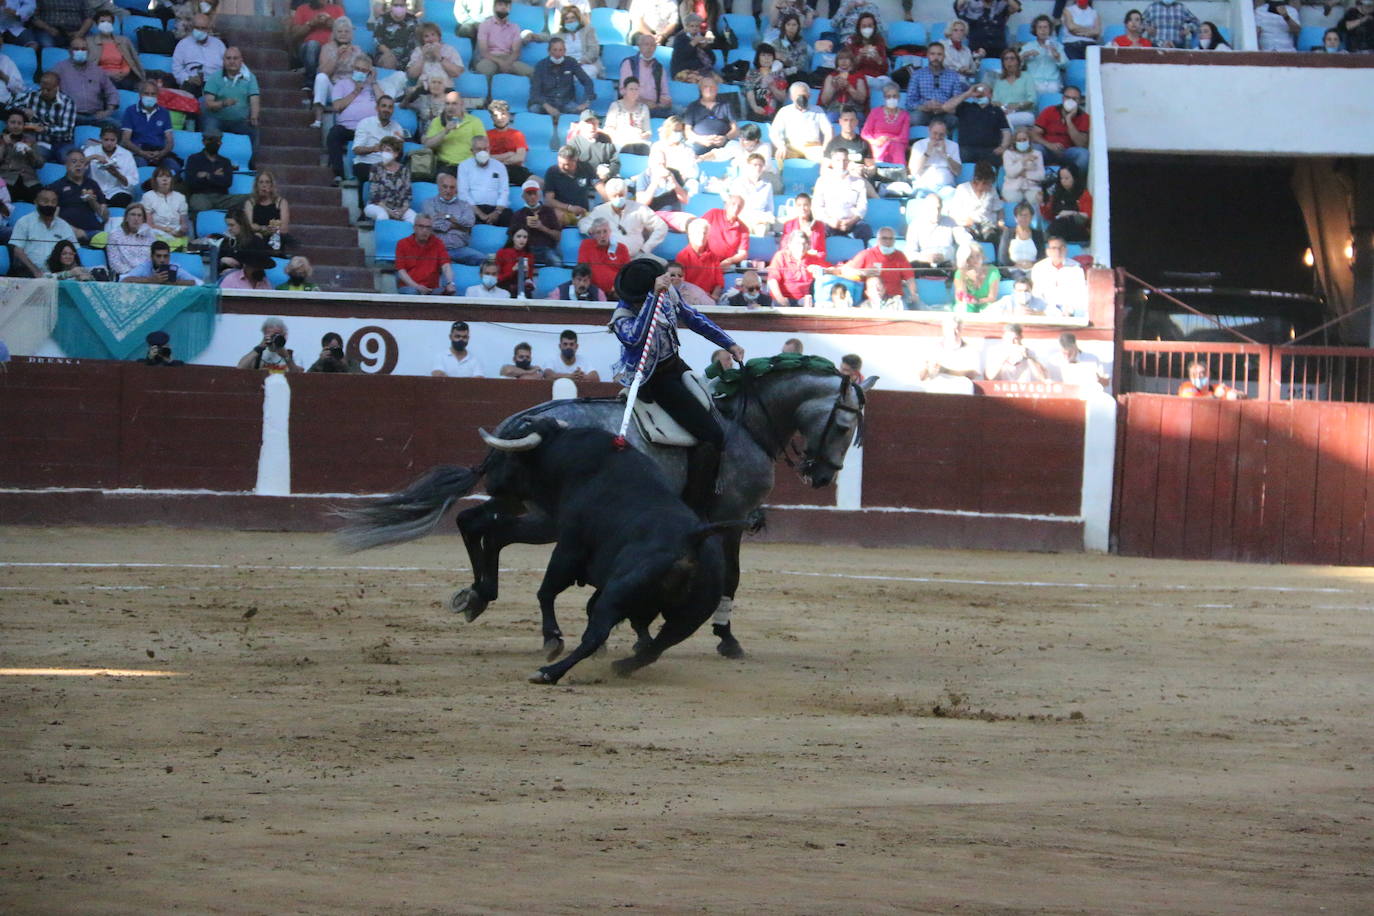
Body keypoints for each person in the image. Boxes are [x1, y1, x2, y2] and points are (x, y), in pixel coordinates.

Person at [610, 258, 744, 515]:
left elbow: (692, 317)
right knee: (711, 435)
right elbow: (637, 338)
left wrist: (728, 343)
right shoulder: (622, 317)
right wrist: (652, 297)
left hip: (675, 365)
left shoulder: (668, 292)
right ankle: (693, 505)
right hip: (651, 379)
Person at [577, 176, 667, 260]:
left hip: (637, 256)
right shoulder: (600, 210)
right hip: (611, 257)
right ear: (608, 196)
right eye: (614, 196)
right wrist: (590, 229)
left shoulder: (640, 208)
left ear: (626, 193)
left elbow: (661, 227)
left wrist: (646, 248)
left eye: (621, 195)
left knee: (663, 264)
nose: (618, 198)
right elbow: (583, 223)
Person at [326, 53, 379, 185]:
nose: (360, 72)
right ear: (352, 68)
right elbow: (337, 106)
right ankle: (338, 173)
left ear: (369, 72)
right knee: (334, 134)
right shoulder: (342, 84)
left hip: (368, 129)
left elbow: (385, 103)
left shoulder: (373, 86)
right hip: (347, 128)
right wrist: (355, 91)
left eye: (364, 70)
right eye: (358, 69)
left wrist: (373, 82)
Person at [201, 44, 261, 158]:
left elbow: (254, 98)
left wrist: (254, 115)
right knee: (209, 132)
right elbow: (208, 104)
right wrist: (223, 103)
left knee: (254, 131)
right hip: (217, 118)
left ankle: (252, 163)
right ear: (223, 61)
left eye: (235, 58)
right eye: (228, 58)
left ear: (241, 60)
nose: (232, 61)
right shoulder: (215, 77)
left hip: (239, 121)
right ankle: (208, 160)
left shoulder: (250, 78)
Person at [836, 225, 916, 305]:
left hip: (896, 299)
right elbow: (845, 270)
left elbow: (909, 277)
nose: (888, 242)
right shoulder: (867, 254)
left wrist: (913, 293)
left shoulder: (900, 256)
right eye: (884, 238)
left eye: (891, 239)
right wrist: (864, 273)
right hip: (873, 299)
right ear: (878, 240)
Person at [348, 92, 405, 202]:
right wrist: (373, 149)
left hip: (387, 164)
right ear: (377, 108)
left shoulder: (397, 128)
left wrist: (397, 148)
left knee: (401, 172)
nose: (386, 110)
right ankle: (365, 208)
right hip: (365, 163)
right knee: (379, 173)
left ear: (393, 110)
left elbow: (399, 155)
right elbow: (356, 149)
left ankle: (393, 207)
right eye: (383, 106)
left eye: (390, 107)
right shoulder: (365, 123)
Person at [53, 36, 119, 127]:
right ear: (69, 51)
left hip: (95, 116)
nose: (80, 51)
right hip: (71, 115)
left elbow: (111, 91)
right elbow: (50, 90)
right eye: (76, 49)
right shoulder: (59, 68)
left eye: (83, 49)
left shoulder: (97, 70)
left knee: (117, 126)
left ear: (88, 51)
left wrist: (108, 111)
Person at [421, 172, 484, 266]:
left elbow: (469, 223)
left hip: (459, 249)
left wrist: (447, 217)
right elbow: (433, 224)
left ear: (456, 190)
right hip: (436, 249)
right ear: (439, 187)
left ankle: (452, 262)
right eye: (445, 187)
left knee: (485, 261)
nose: (448, 190)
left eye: (452, 187)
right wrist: (457, 225)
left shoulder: (465, 205)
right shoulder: (429, 203)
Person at [946, 81, 1010, 168]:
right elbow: (946, 108)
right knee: (960, 154)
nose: (980, 92)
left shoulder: (997, 110)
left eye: (984, 90)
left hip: (990, 150)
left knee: (997, 158)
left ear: (990, 94)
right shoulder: (965, 107)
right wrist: (967, 94)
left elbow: (1006, 131)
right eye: (978, 89)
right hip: (967, 149)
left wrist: (1003, 147)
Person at [47, 146, 105, 242]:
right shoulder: (57, 186)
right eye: (74, 162)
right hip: (67, 233)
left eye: (82, 162)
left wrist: (93, 202)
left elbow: (104, 216)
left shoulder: (92, 184)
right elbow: (53, 218)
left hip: (93, 232)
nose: (78, 165)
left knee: (108, 239)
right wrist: (72, 230)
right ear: (66, 165)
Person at [531, 36, 596, 121]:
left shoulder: (571, 62)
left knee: (583, 113)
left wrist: (586, 102)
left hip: (566, 102)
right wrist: (548, 107)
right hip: (546, 102)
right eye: (555, 50)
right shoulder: (540, 65)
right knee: (534, 109)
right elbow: (535, 91)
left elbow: (587, 81)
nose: (558, 53)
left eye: (561, 50)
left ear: (565, 51)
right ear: (549, 51)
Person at [770, 81, 834, 168]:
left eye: (804, 95)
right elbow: (774, 132)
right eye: (798, 96)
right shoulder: (784, 111)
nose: (801, 98)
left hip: (812, 147)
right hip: (790, 147)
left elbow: (829, 130)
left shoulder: (818, 110)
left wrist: (825, 148)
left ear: (809, 95)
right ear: (792, 97)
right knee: (768, 152)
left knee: (828, 161)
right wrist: (780, 146)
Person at [15, 71, 76, 161]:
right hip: (40, 142)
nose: (44, 92)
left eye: (48, 90)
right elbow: (11, 105)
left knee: (71, 159)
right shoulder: (32, 96)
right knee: (30, 154)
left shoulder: (67, 102)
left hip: (62, 143)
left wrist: (45, 129)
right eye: (42, 88)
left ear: (57, 88)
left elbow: (66, 130)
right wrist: (24, 110)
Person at [120, 79, 179, 172]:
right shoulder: (130, 111)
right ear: (140, 94)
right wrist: (141, 152)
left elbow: (170, 141)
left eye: (153, 94)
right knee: (141, 165)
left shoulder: (164, 112)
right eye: (146, 93)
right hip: (138, 152)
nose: (150, 97)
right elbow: (125, 140)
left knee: (174, 167)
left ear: (157, 95)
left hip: (160, 153)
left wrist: (161, 153)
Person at [814, 149, 872, 242]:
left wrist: (851, 221)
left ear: (848, 162)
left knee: (865, 229)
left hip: (852, 223)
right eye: (838, 160)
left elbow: (862, 206)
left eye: (845, 160)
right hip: (830, 222)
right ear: (832, 162)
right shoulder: (822, 181)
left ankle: (860, 255)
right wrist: (829, 220)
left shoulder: (858, 182)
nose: (841, 164)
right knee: (817, 231)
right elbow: (817, 207)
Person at [905, 42, 966, 128]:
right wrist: (924, 107)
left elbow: (957, 100)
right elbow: (909, 102)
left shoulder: (953, 75)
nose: (936, 57)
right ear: (927, 55)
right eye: (932, 54)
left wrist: (943, 107)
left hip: (944, 113)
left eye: (939, 54)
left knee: (954, 120)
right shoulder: (917, 75)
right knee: (914, 118)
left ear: (944, 56)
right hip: (924, 112)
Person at [1032, 85, 1089, 173]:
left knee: (1083, 155)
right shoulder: (1050, 111)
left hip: (1068, 152)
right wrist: (1049, 145)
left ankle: (1073, 182)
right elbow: (1034, 134)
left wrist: (1069, 120)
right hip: (1048, 150)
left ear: (1079, 101)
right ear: (1063, 98)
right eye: (1067, 97)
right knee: (1035, 149)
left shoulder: (1084, 117)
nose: (1070, 101)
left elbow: (1081, 144)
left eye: (1074, 99)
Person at [396, 212, 456, 295]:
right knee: (413, 292)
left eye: (428, 227)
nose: (425, 230)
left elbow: (446, 266)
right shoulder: (402, 244)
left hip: (432, 289)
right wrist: (417, 286)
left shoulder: (438, 243)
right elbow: (401, 271)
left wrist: (450, 283)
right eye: (421, 226)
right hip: (410, 286)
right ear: (414, 228)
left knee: (448, 292)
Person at [423, 91, 485, 171]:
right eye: (447, 104)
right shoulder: (437, 121)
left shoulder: (475, 121)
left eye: (454, 104)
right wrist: (446, 130)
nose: (450, 107)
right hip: (446, 165)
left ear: (462, 105)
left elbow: (482, 146)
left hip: (469, 165)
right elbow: (428, 145)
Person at [457, 134, 509, 227]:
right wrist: (480, 214)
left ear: (489, 149)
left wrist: (497, 212)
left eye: (485, 149)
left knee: (510, 217)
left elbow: (504, 191)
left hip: (495, 209)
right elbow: (463, 193)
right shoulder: (464, 166)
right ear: (472, 151)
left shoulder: (499, 166)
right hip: (473, 209)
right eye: (479, 149)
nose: (483, 152)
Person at [766, 229, 826, 308]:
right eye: (798, 243)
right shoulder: (781, 256)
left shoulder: (813, 259)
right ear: (790, 245)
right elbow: (772, 280)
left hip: (806, 300)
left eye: (804, 244)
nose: (801, 247)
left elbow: (831, 270)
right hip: (784, 299)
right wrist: (780, 299)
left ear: (808, 245)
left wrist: (821, 270)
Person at [86, 10, 145, 91]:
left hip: (123, 76)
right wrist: (109, 74)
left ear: (112, 24)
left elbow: (129, 60)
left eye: (109, 21)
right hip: (102, 76)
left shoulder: (124, 41)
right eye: (102, 21)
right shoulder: (90, 42)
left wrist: (124, 72)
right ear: (97, 24)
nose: (106, 24)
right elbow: (90, 65)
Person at [1030, 236, 1088, 316]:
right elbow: (1036, 294)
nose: (1058, 251)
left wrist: (1070, 310)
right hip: (1044, 311)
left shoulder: (1076, 267)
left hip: (1069, 311)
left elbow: (1080, 293)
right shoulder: (1039, 268)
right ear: (1048, 251)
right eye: (1054, 248)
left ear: (1066, 250)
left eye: (1061, 247)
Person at [361, 135, 413, 224]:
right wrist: (389, 211)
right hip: (377, 206)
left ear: (396, 153)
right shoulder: (375, 168)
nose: (384, 153)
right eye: (383, 150)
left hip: (399, 208)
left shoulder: (404, 170)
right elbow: (374, 196)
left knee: (414, 218)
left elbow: (407, 195)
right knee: (383, 215)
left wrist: (402, 211)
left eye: (388, 150)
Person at [474, 0, 533, 78]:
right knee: (485, 70)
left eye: (506, 6)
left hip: (509, 59)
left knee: (533, 73)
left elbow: (516, 51)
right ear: (494, 7)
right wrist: (500, 62)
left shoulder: (514, 27)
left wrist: (507, 62)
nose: (503, 7)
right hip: (489, 58)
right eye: (500, 5)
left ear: (510, 8)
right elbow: (483, 51)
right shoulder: (485, 25)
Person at [510, 178, 561, 266]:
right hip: (525, 250)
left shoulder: (548, 211)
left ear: (539, 195)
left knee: (556, 262)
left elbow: (558, 237)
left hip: (546, 249)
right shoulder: (518, 214)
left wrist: (542, 227)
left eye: (535, 193)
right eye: (529, 194)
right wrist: (524, 228)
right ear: (523, 196)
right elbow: (511, 239)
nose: (532, 196)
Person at [682, 74, 736, 158]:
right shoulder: (692, 106)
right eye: (705, 87)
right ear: (700, 89)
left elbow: (736, 129)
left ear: (717, 89)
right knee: (684, 151)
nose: (709, 89)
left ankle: (706, 157)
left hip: (722, 144)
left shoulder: (726, 105)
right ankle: (708, 157)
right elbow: (687, 131)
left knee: (736, 147)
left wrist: (725, 138)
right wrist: (700, 139)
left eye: (712, 87)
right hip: (699, 142)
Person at [290, 0, 345, 81]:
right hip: (308, 49)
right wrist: (311, 23)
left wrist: (332, 23)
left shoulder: (337, 9)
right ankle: (311, 79)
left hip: (330, 49)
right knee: (313, 45)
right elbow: (294, 35)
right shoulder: (302, 9)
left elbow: (345, 31)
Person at [619, 32, 672, 116]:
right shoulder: (629, 63)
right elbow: (623, 90)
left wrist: (665, 101)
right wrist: (644, 102)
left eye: (652, 45)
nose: (649, 48)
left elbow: (665, 93)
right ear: (639, 47)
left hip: (655, 107)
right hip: (635, 105)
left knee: (680, 112)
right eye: (646, 44)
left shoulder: (659, 67)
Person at [172, 13, 225, 96]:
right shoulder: (183, 45)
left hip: (215, 83)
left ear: (209, 29)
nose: (200, 31)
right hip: (193, 83)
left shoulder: (219, 45)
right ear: (192, 28)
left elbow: (227, 67)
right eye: (197, 28)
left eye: (203, 28)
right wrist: (187, 78)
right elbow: (177, 69)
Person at [576, 217, 631, 297]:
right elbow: (582, 269)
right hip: (593, 293)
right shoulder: (586, 245)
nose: (602, 235)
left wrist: (619, 287)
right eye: (598, 232)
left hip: (616, 292)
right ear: (593, 234)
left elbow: (627, 273)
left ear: (610, 232)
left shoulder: (621, 248)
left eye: (605, 231)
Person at [544, 143, 596, 227]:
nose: (562, 166)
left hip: (583, 212)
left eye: (567, 164)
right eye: (560, 163)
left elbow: (598, 185)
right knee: (556, 215)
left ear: (575, 160)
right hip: (563, 212)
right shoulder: (552, 172)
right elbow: (548, 200)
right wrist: (570, 208)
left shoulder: (586, 168)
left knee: (601, 218)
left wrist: (609, 202)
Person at [919, 315, 982, 380]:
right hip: (937, 387)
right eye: (951, 329)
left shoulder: (971, 350)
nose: (955, 332)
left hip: (961, 388)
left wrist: (945, 371)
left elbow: (973, 374)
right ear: (944, 330)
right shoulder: (932, 349)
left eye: (958, 329)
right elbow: (921, 378)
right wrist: (927, 369)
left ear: (962, 330)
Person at [564, 111, 617, 189]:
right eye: (588, 124)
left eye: (594, 123)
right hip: (581, 182)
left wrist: (608, 174)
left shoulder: (605, 139)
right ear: (581, 125)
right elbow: (569, 165)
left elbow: (615, 162)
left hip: (604, 180)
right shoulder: (574, 142)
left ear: (598, 124)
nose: (592, 127)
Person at [241, 169, 291, 253]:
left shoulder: (281, 202)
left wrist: (259, 228)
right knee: (256, 237)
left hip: (276, 240)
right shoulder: (250, 203)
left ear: (272, 185)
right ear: (256, 185)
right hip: (256, 239)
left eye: (267, 182)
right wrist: (266, 228)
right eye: (261, 182)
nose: (264, 185)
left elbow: (284, 228)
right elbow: (249, 226)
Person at [904, 194, 959, 268]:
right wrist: (925, 258)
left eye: (938, 208)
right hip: (925, 265)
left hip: (948, 264)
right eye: (932, 209)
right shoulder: (915, 225)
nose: (936, 212)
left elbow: (966, 241)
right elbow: (909, 253)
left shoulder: (950, 222)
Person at [907, 115, 961, 191]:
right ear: (929, 130)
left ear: (946, 133)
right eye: (935, 133)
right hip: (924, 186)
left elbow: (958, 172)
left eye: (941, 134)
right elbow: (913, 171)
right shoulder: (918, 145)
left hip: (946, 187)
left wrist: (946, 155)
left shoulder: (953, 146)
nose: (937, 137)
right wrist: (927, 153)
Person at [726, 153, 775, 235]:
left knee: (763, 228)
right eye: (755, 165)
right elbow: (732, 205)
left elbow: (770, 208)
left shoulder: (768, 186)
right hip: (742, 217)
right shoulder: (737, 183)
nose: (758, 168)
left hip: (761, 218)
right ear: (748, 166)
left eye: (761, 165)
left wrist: (766, 217)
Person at [861, 83, 910, 166]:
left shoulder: (905, 115)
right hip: (878, 143)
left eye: (894, 96)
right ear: (884, 98)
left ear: (899, 97)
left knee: (896, 147)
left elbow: (904, 137)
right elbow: (865, 133)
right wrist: (875, 141)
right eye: (888, 96)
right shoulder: (875, 112)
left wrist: (888, 139)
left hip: (897, 143)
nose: (892, 99)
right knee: (879, 148)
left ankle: (898, 171)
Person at [0, 111, 44, 204]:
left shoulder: (30, 140)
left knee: (45, 199)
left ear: (23, 126)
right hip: (7, 181)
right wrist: (3, 145)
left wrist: (29, 151)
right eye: (12, 122)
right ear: (7, 124)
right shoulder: (1, 140)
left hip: (29, 181)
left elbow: (40, 164)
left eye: (19, 123)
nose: (16, 126)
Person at [141, 165, 190, 248]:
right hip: (155, 235)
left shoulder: (180, 197)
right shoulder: (147, 196)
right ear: (155, 180)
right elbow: (149, 224)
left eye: (168, 177)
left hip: (177, 234)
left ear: (171, 180)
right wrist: (166, 230)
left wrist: (181, 231)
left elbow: (184, 223)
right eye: (161, 176)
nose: (165, 179)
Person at [105, 202, 156, 277]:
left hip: (147, 275)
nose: (136, 218)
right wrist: (133, 274)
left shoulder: (150, 234)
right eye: (133, 214)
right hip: (126, 275)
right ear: (126, 218)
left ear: (143, 219)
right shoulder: (114, 235)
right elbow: (114, 263)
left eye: (139, 215)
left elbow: (154, 259)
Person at [676, 218, 723, 298]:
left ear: (708, 235)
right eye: (697, 233)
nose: (701, 236)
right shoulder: (682, 256)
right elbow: (680, 283)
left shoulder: (714, 256)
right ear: (690, 235)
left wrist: (714, 296)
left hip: (708, 298)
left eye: (704, 233)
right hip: (689, 297)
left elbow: (719, 284)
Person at [406, 22, 465, 86]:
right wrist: (423, 57)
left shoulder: (450, 49)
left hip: (444, 87)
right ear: (422, 40)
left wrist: (439, 57)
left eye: (433, 34)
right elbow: (412, 74)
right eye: (426, 36)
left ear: (438, 36)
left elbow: (456, 73)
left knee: (453, 95)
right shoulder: (418, 51)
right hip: (424, 87)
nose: (431, 39)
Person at [991, 47, 1036, 132]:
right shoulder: (999, 81)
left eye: (1012, 58)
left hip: (1023, 114)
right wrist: (1001, 106)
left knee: (1005, 120)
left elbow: (1032, 100)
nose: (1009, 61)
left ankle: (1008, 141)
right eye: (1006, 59)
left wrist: (1017, 106)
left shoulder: (1026, 76)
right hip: (1004, 113)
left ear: (1018, 62)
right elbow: (994, 101)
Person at [486, 99, 529, 185]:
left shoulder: (517, 134)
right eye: (495, 115)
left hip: (513, 169)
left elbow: (520, 157)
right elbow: (485, 158)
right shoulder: (486, 135)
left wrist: (497, 159)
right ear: (491, 118)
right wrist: (509, 154)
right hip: (491, 170)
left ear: (508, 115)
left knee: (538, 182)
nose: (500, 118)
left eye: (503, 114)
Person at [955, 0, 1020, 58]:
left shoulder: (1001, 5)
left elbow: (1016, 7)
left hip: (999, 49)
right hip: (976, 49)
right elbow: (959, 5)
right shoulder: (970, 7)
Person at [605, 76, 653, 153]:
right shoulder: (615, 106)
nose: (634, 92)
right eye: (631, 89)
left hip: (638, 141)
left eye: (636, 89)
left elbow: (648, 131)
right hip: (619, 141)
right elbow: (608, 128)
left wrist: (643, 135)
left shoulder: (644, 108)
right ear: (624, 90)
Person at [121, 239, 199, 286]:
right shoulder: (145, 266)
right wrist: (151, 280)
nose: (162, 260)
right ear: (152, 257)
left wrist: (172, 282)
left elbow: (192, 282)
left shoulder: (174, 267)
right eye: (158, 256)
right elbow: (124, 280)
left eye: (166, 256)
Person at [1044, 165, 1092, 242]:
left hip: (1077, 227)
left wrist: (1070, 213)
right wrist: (1043, 203)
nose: (1063, 181)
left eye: (1066, 178)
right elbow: (1050, 215)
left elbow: (1087, 215)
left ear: (1074, 178)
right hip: (1059, 227)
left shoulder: (1083, 194)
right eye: (1061, 178)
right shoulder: (1056, 194)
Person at [1020, 15, 1066, 93]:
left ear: (1050, 30)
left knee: (1054, 89)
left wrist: (1057, 55)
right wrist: (1025, 55)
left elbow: (1065, 65)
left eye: (1045, 27)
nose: (1043, 30)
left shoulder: (1057, 46)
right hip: (1034, 82)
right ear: (1035, 30)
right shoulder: (1028, 46)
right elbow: (1016, 62)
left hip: (1053, 83)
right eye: (1040, 27)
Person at [1001, 126, 1045, 206]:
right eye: (1019, 140)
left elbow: (1041, 175)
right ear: (1014, 141)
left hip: (1032, 187)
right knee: (1013, 200)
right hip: (1012, 188)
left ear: (1029, 140)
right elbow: (1010, 173)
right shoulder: (1008, 154)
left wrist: (1025, 174)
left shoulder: (1037, 154)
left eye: (1024, 140)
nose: (1022, 142)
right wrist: (1024, 160)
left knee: (1038, 199)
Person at [554, 5, 600, 80]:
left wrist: (580, 62)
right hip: (566, 65)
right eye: (566, 19)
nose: (570, 21)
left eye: (573, 17)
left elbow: (594, 51)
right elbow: (546, 37)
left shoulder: (588, 31)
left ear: (578, 18)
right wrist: (532, 35)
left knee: (581, 75)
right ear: (563, 22)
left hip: (586, 64)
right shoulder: (560, 35)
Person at [998, 201, 1046, 273]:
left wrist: (1032, 264)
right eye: (1020, 215)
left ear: (1031, 217)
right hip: (1012, 269)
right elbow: (1002, 256)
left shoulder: (1038, 234)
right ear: (1015, 218)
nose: (1024, 218)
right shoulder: (1008, 233)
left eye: (1026, 215)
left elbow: (1042, 256)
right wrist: (1015, 264)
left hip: (1033, 269)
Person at [742, 44, 786, 122]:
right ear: (758, 57)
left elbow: (782, 98)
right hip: (756, 108)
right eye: (763, 55)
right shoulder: (752, 73)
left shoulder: (779, 75)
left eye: (769, 55)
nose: (766, 58)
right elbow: (749, 91)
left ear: (773, 58)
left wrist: (771, 85)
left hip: (775, 112)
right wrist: (754, 107)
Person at [952, 244, 1001, 312]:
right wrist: (963, 273)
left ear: (982, 256)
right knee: (963, 308)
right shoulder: (960, 273)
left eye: (978, 255)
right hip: (967, 305)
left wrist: (977, 301)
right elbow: (961, 297)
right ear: (967, 259)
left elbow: (992, 297)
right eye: (971, 257)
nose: (976, 260)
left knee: (992, 309)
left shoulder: (993, 271)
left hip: (985, 303)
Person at [372, 0, 418, 71]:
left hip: (408, 57)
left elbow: (417, 39)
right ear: (391, 6)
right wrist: (390, 54)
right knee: (389, 60)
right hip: (387, 55)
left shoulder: (412, 20)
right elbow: (377, 41)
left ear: (406, 6)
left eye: (402, 5)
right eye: (396, 5)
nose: (399, 7)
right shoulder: (383, 19)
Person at [670, 13, 716, 82]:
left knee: (718, 80)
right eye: (692, 26)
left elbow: (712, 59)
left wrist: (705, 47)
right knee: (700, 80)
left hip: (701, 69)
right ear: (686, 27)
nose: (695, 28)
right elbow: (679, 57)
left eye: (697, 26)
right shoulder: (680, 38)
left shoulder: (701, 36)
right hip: (682, 70)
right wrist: (693, 43)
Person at [820, 50, 869, 116]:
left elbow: (862, 99)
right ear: (837, 62)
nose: (843, 61)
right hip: (834, 110)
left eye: (847, 58)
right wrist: (834, 87)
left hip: (854, 111)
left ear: (852, 61)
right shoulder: (831, 77)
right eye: (840, 59)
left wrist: (849, 87)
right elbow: (824, 101)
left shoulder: (859, 76)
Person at [781, 191, 827, 256]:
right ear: (796, 207)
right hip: (793, 261)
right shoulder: (789, 225)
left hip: (813, 262)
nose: (802, 208)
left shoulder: (819, 225)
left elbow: (822, 252)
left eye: (806, 205)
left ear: (810, 206)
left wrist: (812, 255)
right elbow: (784, 248)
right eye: (799, 205)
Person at [495, 226, 537, 297]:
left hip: (522, 288)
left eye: (525, 237)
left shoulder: (529, 255)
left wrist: (526, 275)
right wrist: (513, 270)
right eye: (518, 236)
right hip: (504, 286)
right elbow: (497, 277)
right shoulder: (502, 253)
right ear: (512, 238)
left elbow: (530, 280)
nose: (522, 240)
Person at [986, 274, 1051, 315]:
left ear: (1031, 291)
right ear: (1014, 291)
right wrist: (1013, 313)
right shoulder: (1007, 300)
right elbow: (988, 312)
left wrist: (1036, 313)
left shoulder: (1039, 301)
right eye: (1019, 291)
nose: (1023, 293)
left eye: (1026, 291)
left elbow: (1056, 313)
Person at [1178, 359, 1243, 398]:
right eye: (1194, 374)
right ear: (1190, 376)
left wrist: (1236, 396)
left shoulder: (1216, 388)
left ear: (1208, 374)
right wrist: (1215, 396)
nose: (1198, 376)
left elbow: (1241, 394)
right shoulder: (1186, 386)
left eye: (1202, 373)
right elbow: (1193, 400)